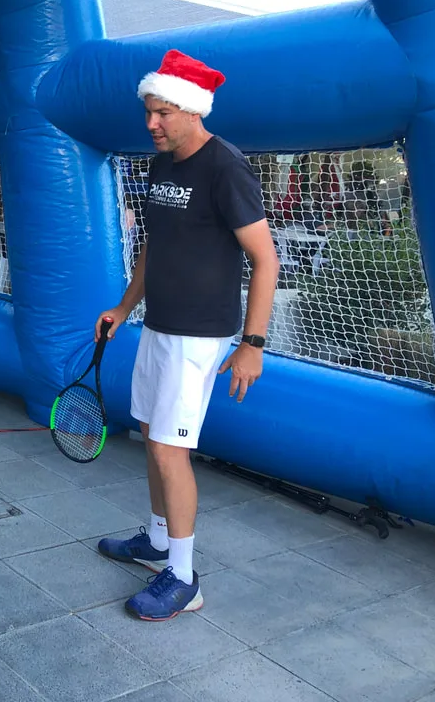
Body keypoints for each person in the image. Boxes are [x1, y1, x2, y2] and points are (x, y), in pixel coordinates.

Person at [94, 49, 280, 622]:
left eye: (163, 113)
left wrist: (253, 346)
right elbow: (157, 243)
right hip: (159, 323)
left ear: (193, 111)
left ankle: (182, 577)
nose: (152, 123)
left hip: (200, 335)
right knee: (152, 434)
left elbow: (265, 260)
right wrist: (125, 306)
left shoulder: (225, 166)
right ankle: (155, 544)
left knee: (170, 450)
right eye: (149, 112)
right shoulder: (161, 162)